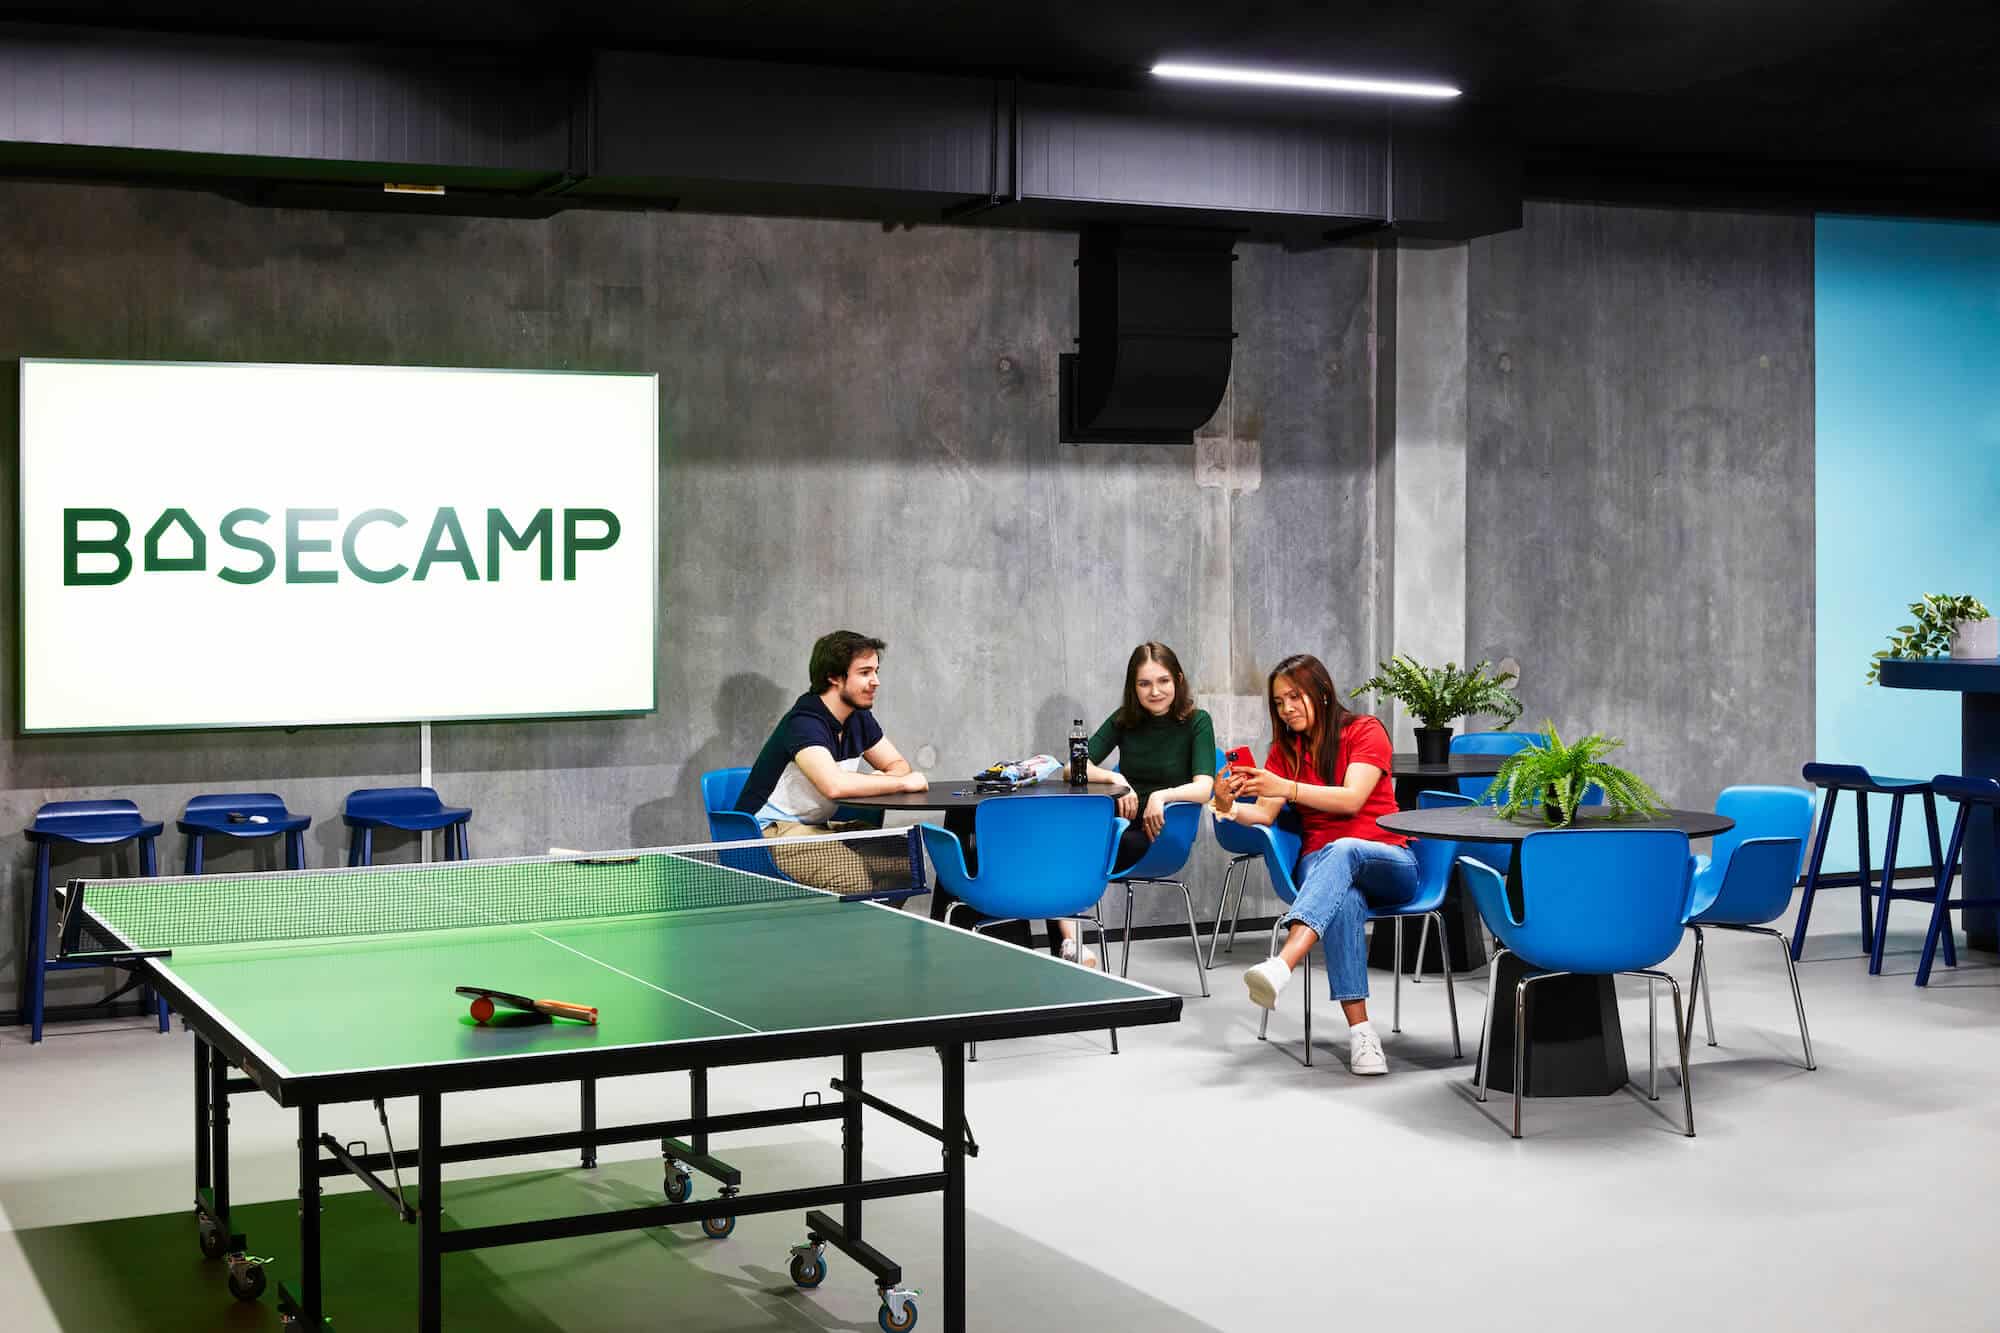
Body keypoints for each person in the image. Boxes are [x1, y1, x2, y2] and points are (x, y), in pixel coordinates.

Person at [1215, 653, 1415, 1076]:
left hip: (1388, 860)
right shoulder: (1284, 750)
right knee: (1343, 900)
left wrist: (1285, 786)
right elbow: (1264, 815)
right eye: (1278, 702)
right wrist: (1225, 801)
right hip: (1321, 866)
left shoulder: (1365, 731)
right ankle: (1362, 1034)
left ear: (1321, 693)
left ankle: (1283, 963)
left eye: (1294, 696)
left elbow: (1352, 799)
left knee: (1346, 849)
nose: (1286, 709)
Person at [734, 630, 928, 895]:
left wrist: (888, 778)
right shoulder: (804, 722)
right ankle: (846, 935)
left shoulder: (858, 717)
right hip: (768, 832)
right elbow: (834, 787)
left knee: (902, 862)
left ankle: (872, 933)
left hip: (817, 827)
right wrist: (902, 783)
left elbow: (897, 763)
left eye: (876, 671)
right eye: (865, 673)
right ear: (834, 677)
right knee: (852, 878)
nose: (876, 681)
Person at [1062, 642, 1216, 967]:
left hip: (1162, 832)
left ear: (1178, 679)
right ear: (1133, 687)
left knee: (1077, 852)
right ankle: (1070, 941)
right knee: (1059, 840)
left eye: (1163, 681)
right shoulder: (1125, 720)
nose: (1155, 691)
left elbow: (1204, 788)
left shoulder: (1197, 721)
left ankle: (1070, 941)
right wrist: (1116, 781)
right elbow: (1072, 768)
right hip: (1122, 824)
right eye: (1144, 683)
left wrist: (1162, 796)